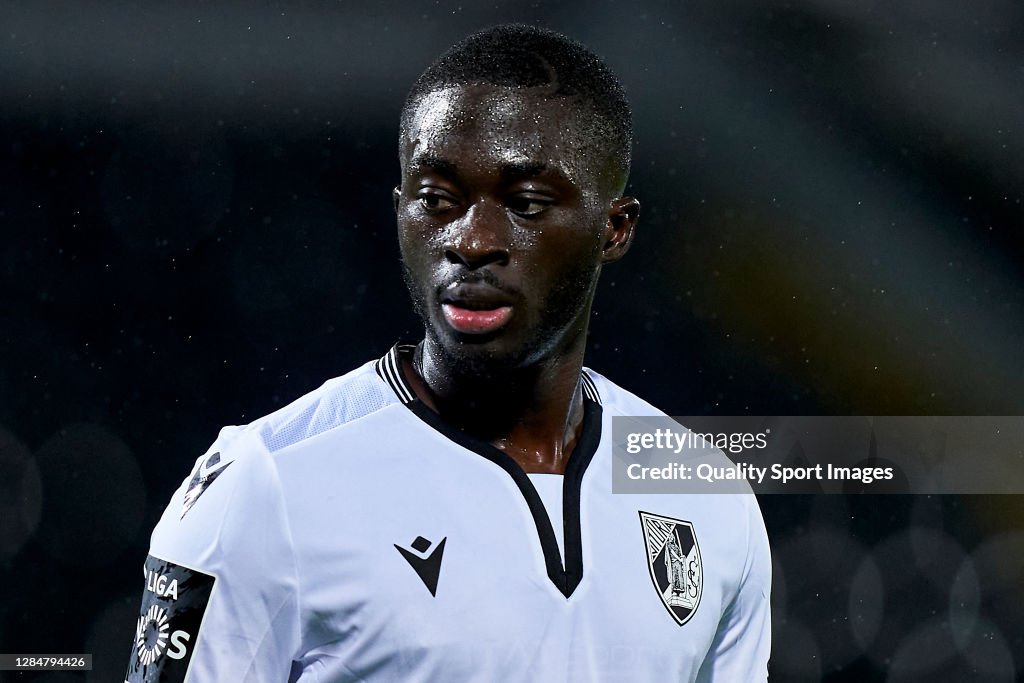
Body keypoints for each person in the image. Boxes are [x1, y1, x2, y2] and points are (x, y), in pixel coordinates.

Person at [125, 24, 771, 682]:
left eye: (525, 203)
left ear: (614, 227)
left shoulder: (708, 497)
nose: (472, 240)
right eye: (436, 200)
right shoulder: (264, 485)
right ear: (400, 208)